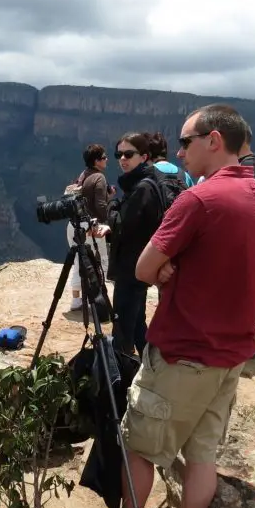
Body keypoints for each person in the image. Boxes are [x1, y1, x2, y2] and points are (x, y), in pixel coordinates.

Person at [87, 104, 255, 508]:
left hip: (184, 349)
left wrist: (169, 269)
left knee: (141, 445)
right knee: (202, 456)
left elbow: (142, 268)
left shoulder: (199, 200)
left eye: (186, 141)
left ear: (214, 140)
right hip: (230, 354)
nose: (180, 150)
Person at [94, 132, 171, 357]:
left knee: (123, 326)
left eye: (129, 154)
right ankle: (149, 367)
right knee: (137, 321)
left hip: (132, 267)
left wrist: (111, 205)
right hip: (138, 264)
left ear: (144, 156)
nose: (122, 159)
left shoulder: (142, 188)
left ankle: (121, 372)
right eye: (119, 154)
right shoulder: (142, 183)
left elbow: (122, 223)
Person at [64, 144, 110, 310]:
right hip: (90, 226)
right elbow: (100, 206)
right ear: (97, 161)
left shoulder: (83, 175)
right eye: (104, 157)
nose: (107, 160)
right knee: (99, 262)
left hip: (73, 225)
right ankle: (97, 300)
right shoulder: (99, 178)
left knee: (78, 261)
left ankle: (76, 300)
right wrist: (108, 222)